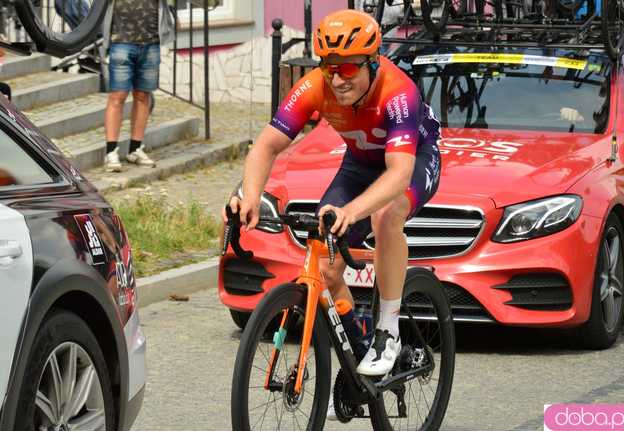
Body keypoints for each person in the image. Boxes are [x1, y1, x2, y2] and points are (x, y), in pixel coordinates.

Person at [225, 9, 441, 376]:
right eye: (329, 67)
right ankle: (358, 348)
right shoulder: (314, 86)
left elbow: (399, 173)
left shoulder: (398, 92)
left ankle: (389, 330)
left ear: (373, 63)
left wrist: (352, 212)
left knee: (386, 216)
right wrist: (249, 196)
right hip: (359, 166)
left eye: (348, 68)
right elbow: (265, 147)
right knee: (324, 269)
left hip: (414, 160)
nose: (338, 79)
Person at [101, 0, 175, 172]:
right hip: (120, 40)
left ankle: (135, 148)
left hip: (151, 40)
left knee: (143, 95)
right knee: (117, 96)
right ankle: (111, 151)